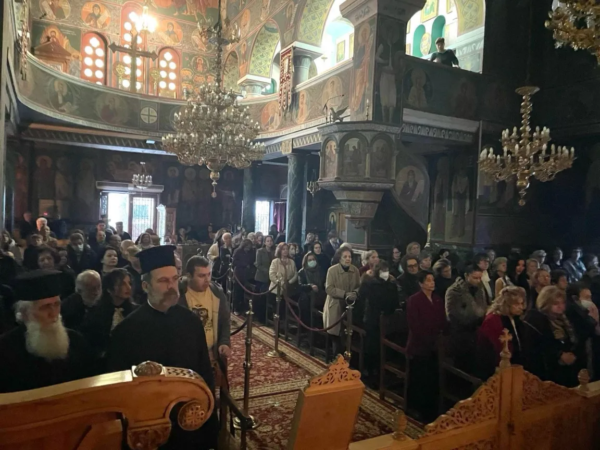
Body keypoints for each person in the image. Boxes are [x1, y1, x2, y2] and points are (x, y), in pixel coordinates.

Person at [106, 245, 218, 449]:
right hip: (148, 430)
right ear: (145, 286)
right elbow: (119, 392)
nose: (172, 287)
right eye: (163, 281)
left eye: (174, 279)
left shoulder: (191, 321)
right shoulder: (126, 331)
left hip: (188, 423)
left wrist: (210, 425)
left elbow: (204, 374)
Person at [0, 270, 92, 393]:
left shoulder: (76, 342)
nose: (54, 313)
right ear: (25, 313)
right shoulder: (5, 349)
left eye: (57, 304)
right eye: (45, 307)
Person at [522, 286, 582, 386]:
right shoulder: (536, 320)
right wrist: (559, 355)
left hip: (565, 370)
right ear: (546, 304)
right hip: (546, 372)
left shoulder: (564, 319)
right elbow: (539, 345)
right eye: (555, 303)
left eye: (562, 303)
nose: (560, 306)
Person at [406, 270, 446, 421]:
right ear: (421, 283)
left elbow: (442, 321)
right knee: (420, 377)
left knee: (433, 376)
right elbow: (415, 326)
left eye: (433, 280)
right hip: (419, 345)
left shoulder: (437, 299)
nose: (432, 283)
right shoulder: (414, 300)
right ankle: (415, 408)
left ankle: (432, 408)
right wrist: (429, 340)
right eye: (428, 280)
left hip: (435, 345)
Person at [81, 269, 138, 367]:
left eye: (129, 283)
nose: (128, 287)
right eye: (122, 284)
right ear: (109, 289)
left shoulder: (135, 311)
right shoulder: (96, 312)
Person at [179, 256, 231, 361]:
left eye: (209, 274)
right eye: (201, 276)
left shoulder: (216, 292)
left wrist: (224, 342)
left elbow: (225, 321)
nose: (207, 280)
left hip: (212, 354)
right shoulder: (179, 295)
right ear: (189, 276)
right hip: (187, 354)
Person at [359, 261, 398, 382]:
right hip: (372, 320)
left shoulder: (391, 285)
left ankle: (383, 371)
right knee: (372, 346)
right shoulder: (369, 284)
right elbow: (364, 300)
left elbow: (395, 302)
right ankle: (370, 371)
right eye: (382, 271)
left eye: (386, 270)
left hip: (387, 319)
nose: (385, 273)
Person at [476, 286, 526, 379]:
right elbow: (494, 349)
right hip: (495, 368)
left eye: (522, 303)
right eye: (517, 304)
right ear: (506, 304)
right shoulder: (493, 320)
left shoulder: (514, 317)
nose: (521, 307)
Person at [445, 265, 487, 372]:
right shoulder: (454, 291)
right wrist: (474, 317)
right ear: (466, 275)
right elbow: (452, 315)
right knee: (463, 367)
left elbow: (483, 307)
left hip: (477, 333)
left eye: (480, 278)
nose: (478, 281)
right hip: (461, 335)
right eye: (475, 278)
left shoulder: (480, 289)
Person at [324, 247, 360, 359]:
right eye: (345, 257)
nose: (348, 259)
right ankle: (336, 359)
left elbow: (359, 286)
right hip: (335, 305)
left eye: (349, 257)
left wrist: (355, 293)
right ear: (339, 258)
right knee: (337, 336)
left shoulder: (355, 270)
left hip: (350, 306)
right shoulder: (332, 270)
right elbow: (329, 288)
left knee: (348, 335)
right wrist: (344, 294)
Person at [298, 252, 326, 325]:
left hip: (320, 294)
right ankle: (307, 325)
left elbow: (324, 282)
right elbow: (300, 286)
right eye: (309, 260)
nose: (312, 261)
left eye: (313, 259)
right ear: (306, 261)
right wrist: (310, 286)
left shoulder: (321, 270)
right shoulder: (302, 272)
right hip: (307, 296)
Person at [232, 239, 255, 313]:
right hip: (239, 274)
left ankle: (244, 306)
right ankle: (236, 308)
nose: (248, 248)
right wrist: (244, 264)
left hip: (248, 274)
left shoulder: (251, 252)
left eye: (249, 247)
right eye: (247, 247)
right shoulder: (237, 251)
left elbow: (252, 260)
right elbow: (234, 262)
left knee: (244, 292)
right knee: (237, 292)